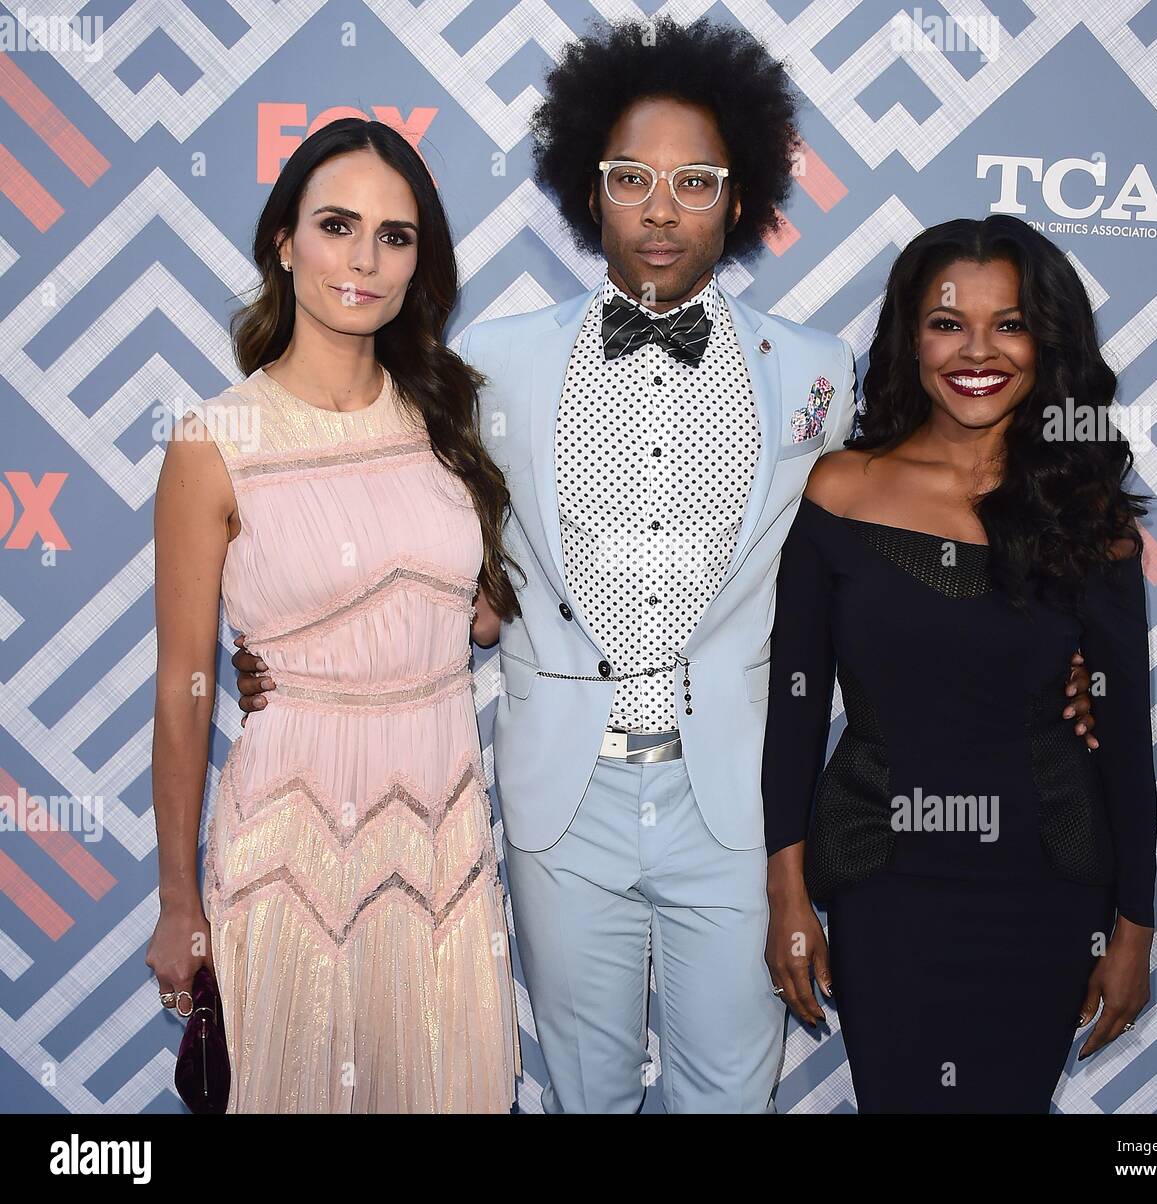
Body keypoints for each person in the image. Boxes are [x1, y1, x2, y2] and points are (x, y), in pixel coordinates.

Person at [234, 17, 1097, 1113]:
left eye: (694, 181)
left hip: (734, 797)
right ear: (587, 191)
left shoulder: (818, 377)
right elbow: (371, 501)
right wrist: (287, 643)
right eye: (630, 177)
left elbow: (929, 511)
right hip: (561, 795)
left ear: (736, 201)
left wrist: (1054, 662)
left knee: (728, 1094)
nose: (659, 207)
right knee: (584, 1091)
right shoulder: (484, 364)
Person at [148, 118, 521, 1112]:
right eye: (336, 225)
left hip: (442, 831)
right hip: (291, 839)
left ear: (418, 261)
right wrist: (177, 902)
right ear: (284, 240)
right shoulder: (215, 442)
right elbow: (184, 691)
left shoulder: (445, 419)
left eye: (394, 236)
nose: (363, 258)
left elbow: (479, 621)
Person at [763, 215, 1157, 1113]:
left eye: (1008, 323)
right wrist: (786, 893)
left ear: (1045, 341)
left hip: (1047, 885)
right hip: (886, 883)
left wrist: (1134, 925)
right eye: (948, 323)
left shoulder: (1087, 518)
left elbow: (1125, 736)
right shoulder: (839, 490)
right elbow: (794, 712)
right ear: (910, 335)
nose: (977, 350)